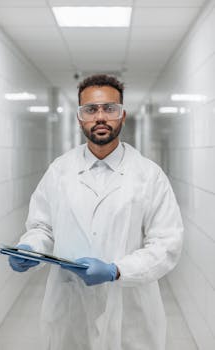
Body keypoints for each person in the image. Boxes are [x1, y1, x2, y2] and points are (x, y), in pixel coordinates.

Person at [9, 74, 183, 350]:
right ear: (80, 118)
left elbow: (166, 245)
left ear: (122, 116)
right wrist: (29, 248)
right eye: (90, 109)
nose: (100, 116)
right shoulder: (59, 171)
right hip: (69, 307)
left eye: (109, 108)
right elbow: (42, 227)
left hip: (131, 311)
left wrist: (117, 270)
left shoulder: (149, 176)